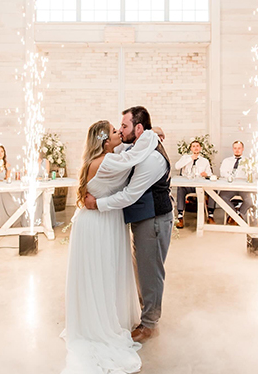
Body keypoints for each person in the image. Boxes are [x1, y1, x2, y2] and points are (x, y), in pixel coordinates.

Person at [61, 120, 158, 374]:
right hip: (97, 224)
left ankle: (103, 314)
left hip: (106, 219)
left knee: (107, 270)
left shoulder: (107, 157)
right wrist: (150, 134)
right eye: (115, 131)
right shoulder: (105, 161)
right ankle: (98, 322)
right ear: (105, 141)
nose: (119, 133)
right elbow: (134, 157)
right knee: (101, 271)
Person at [85, 106, 173, 343]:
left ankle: (150, 325)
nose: (120, 130)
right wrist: (155, 130)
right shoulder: (139, 145)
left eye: (124, 126)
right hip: (143, 219)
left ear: (138, 128)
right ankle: (146, 316)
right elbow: (122, 150)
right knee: (142, 269)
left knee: (150, 272)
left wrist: (98, 204)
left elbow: (130, 195)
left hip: (154, 219)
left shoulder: (152, 158)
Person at [174, 139, 215, 228]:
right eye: (193, 146)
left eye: (197, 146)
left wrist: (206, 174)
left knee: (212, 189)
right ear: (191, 149)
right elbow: (177, 166)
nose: (196, 148)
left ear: (200, 148)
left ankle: (210, 215)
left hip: (200, 186)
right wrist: (190, 158)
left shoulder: (205, 161)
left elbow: (210, 175)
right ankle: (180, 216)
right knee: (180, 188)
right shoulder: (185, 158)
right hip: (188, 185)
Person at [219, 140, 253, 225]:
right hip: (230, 186)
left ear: (243, 149)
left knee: (250, 199)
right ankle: (236, 215)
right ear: (232, 149)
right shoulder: (226, 161)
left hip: (244, 188)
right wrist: (231, 177)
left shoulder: (248, 161)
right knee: (221, 197)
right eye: (235, 148)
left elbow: (252, 175)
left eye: (239, 148)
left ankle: (238, 214)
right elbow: (222, 173)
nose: (237, 150)